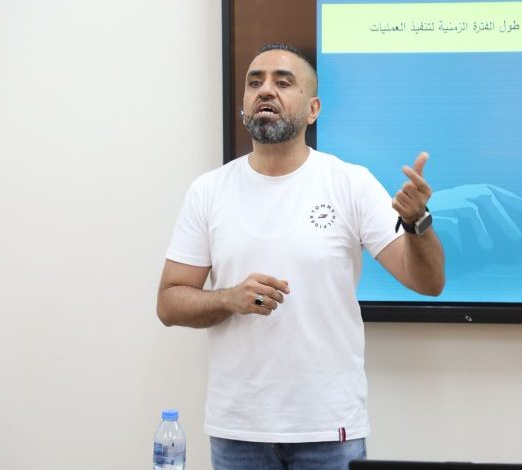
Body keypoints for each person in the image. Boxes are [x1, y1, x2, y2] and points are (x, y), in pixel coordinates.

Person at [157, 43, 445, 470]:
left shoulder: (350, 183)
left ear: (313, 109)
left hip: (329, 429)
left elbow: (428, 282)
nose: (265, 90)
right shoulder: (209, 191)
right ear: (243, 105)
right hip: (239, 430)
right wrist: (229, 298)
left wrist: (418, 222)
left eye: (283, 81)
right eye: (255, 82)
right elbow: (169, 302)